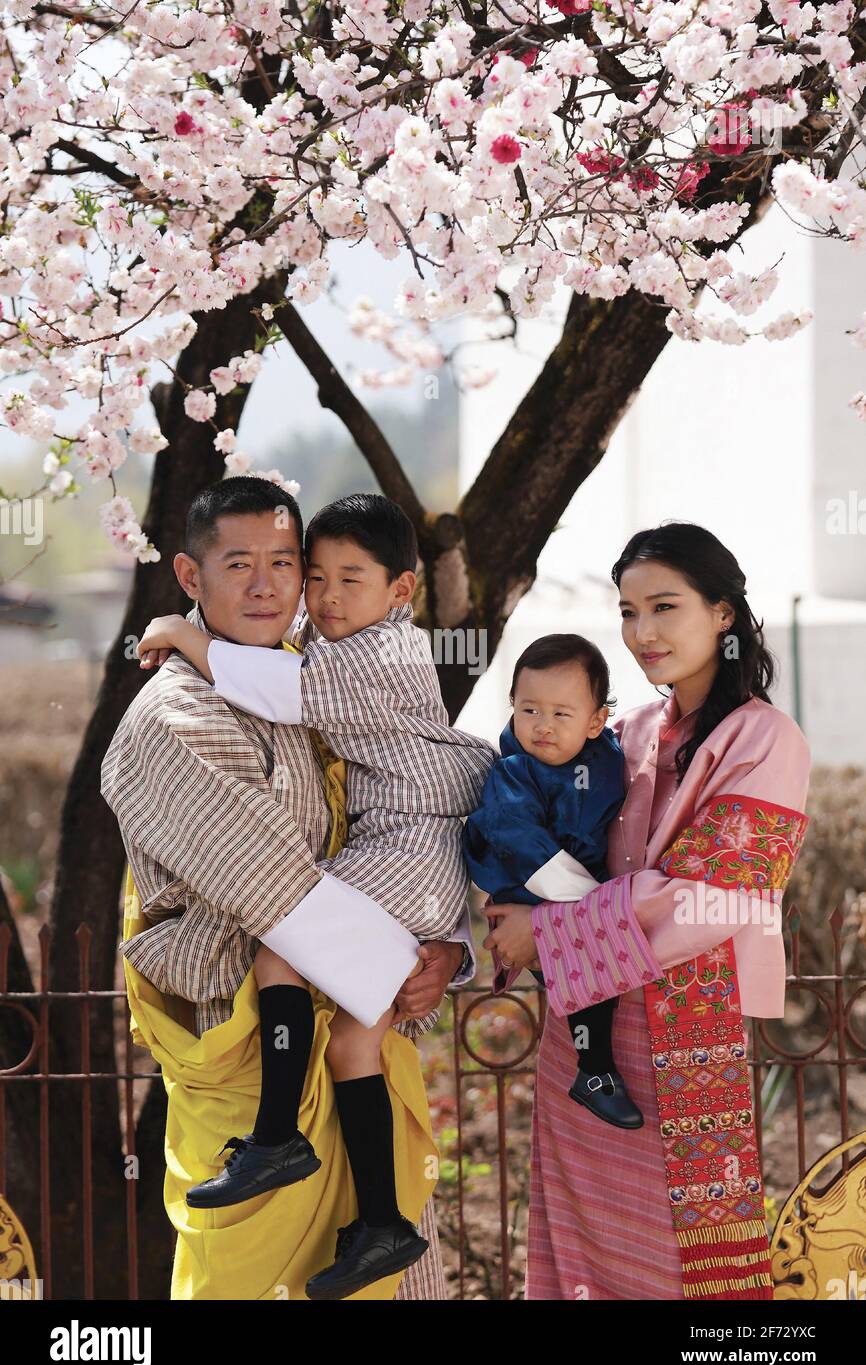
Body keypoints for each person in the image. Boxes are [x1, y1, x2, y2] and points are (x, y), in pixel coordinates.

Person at [101, 475, 476, 1300]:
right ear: (191, 578)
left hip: (357, 1043)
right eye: (240, 565)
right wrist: (401, 963)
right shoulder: (176, 719)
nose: (271, 585)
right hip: (253, 1073)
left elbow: (423, 801)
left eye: (286, 561)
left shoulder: (328, 672)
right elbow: (285, 898)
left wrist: (447, 948)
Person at [482, 522, 811, 1301]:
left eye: (664, 607)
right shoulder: (620, 734)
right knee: (578, 1240)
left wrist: (550, 933)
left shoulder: (767, 741)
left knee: (683, 1257)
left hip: (689, 1025)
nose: (642, 632)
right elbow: (525, 802)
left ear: (723, 613)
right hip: (587, 1029)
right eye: (629, 612)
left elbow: (718, 896)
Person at [463, 632, 644, 1128]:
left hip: (582, 887)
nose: (542, 726)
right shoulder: (517, 774)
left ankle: (595, 1066)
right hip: (532, 887)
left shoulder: (608, 754)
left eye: (561, 714)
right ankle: (595, 1071)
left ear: (595, 721)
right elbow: (521, 841)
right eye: (529, 710)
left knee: (597, 980)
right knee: (589, 976)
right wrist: (591, 904)